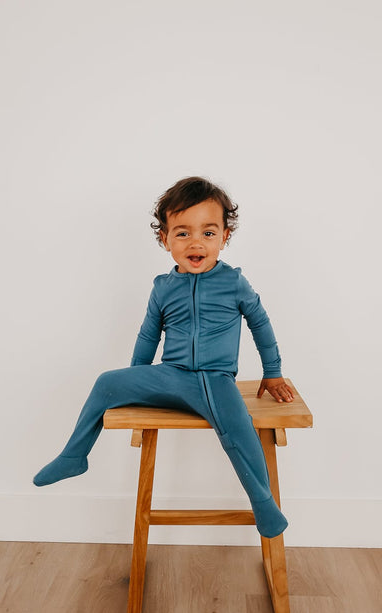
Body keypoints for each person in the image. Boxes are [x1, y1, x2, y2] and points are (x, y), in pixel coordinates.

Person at [33, 176, 294, 538]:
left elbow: (260, 324)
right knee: (106, 382)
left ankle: (263, 503)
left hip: (215, 380)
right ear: (165, 238)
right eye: (183, 233)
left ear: (224, 237)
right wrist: (136, 381)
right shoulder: (163, 287)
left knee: (238, 429)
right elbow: (148, 336)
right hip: (171, 376)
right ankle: (74, 456)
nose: (196, 242)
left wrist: (273, 372)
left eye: (208, 232)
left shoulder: (234, 283)